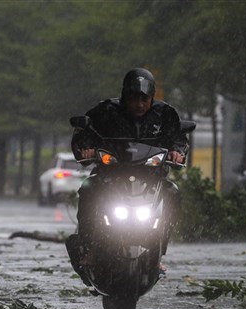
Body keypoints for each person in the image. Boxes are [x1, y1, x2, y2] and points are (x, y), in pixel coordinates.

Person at [66, 68, 189, 284]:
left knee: (173, 193)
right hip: (110, 176)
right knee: (88, 189)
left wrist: (177, 152)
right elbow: (84, 133)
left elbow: (178, 137)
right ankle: (90, 248)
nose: (139, 104)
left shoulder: (165, 114)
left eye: (144, 99)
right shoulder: (106, 111)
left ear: (151, 98)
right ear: (125, 96)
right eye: (134, 98)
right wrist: (86, 148)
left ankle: (158, 249)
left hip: (151, 178)